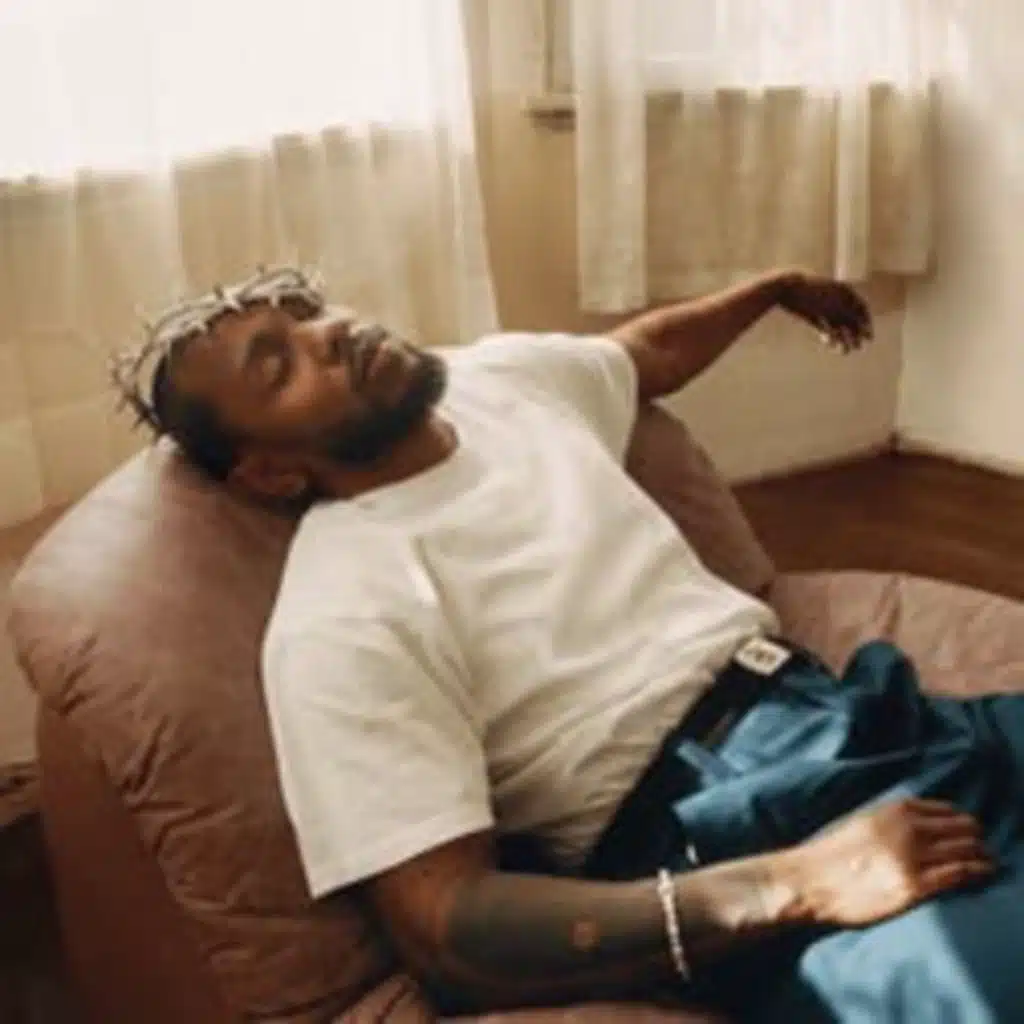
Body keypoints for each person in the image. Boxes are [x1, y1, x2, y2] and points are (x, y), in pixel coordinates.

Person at [112, 265, 1023, 1022]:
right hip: (725, 818)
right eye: (280, 366)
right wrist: (791, 883)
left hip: (851, 708)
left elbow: (645, 353)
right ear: (271, 472)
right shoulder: (341, 617)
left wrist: (773, 289)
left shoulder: (496, 381)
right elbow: (444, 927)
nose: (332, 334)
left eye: (309, 312)